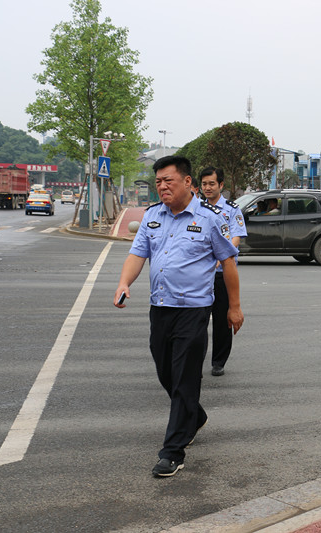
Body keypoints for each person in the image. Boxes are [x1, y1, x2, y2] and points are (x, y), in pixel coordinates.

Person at [114, 155, 244, 478]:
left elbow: (228, 262)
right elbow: (137, 254)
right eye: (158, 182)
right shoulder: (153, 216)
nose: (162, 187)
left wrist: (234, 306)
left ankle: (173, 451)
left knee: (185, 377)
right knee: (165, 372)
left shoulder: (211, 218)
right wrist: (124, 282)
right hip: (160, 308)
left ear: (188, 182)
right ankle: (194, 416)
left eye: (168, 181)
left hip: (193, 310)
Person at [199, 167, 247, 376]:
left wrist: (223, 256)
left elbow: (236, 236)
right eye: (204, 184)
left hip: (222, 275)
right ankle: (194, 360)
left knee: (222, 320)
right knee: (196, 321)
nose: (207, 188)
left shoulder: (232, 209)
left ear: (221, 185)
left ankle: (218, 361)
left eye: (211, 184)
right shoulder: (196, 208)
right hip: (200, 275)